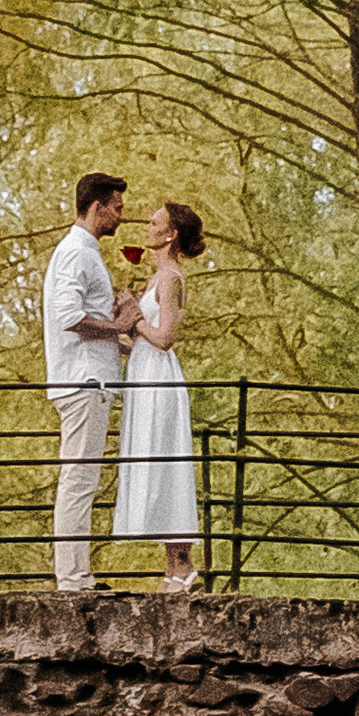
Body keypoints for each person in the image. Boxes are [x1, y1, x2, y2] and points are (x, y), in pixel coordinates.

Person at [42, 171, 134, 595]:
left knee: (82, 479)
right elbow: (71, 318)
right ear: (98, 207)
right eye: (117, 207)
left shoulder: (82, 251)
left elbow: (82, 317)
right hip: (83, 383)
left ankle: (77, 576)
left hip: (86, 378)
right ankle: (73, 580)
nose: (121, 215)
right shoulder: (78, 252)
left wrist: (118, 337)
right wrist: (118, 324)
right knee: (79, 480)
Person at [116, 202, 203, 595]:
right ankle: (171, 567)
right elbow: (144, 341)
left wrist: (135, 317)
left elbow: (165, 338)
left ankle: (183, 566)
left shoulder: (170, 278)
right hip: (143, 374)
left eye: (154, 222)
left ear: (169, 235)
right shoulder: (155, 279)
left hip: (160, 380)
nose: (146, 226)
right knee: (152, 462)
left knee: (167, 462)